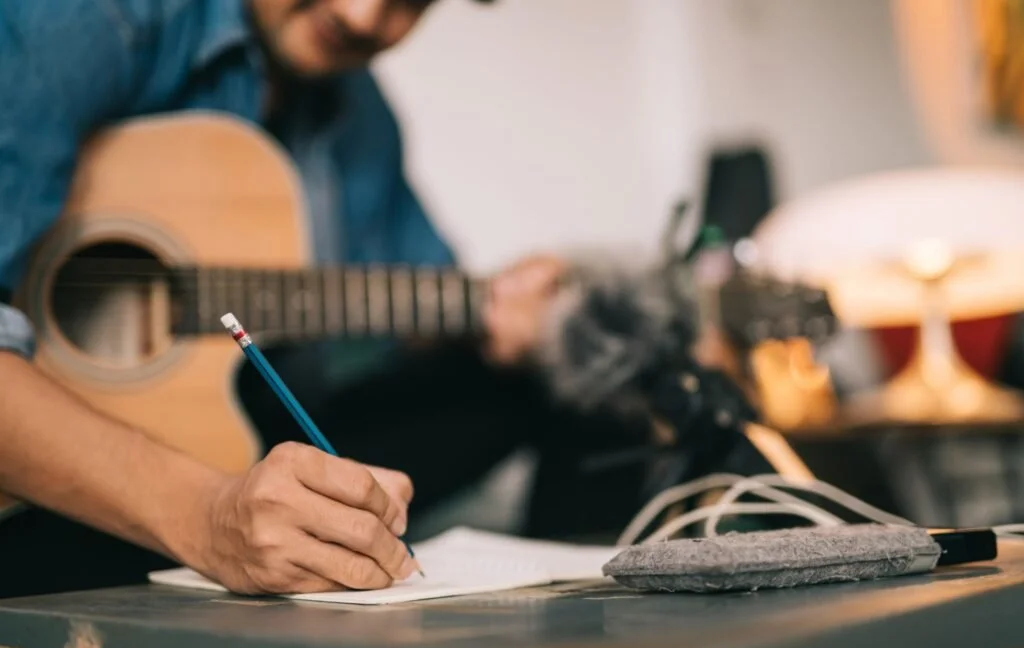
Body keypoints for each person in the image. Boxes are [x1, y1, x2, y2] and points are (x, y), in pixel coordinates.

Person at [0, 0, 655, 599]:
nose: (365, 15)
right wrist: (206, 518)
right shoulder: (83, 19)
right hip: (43, 504)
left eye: (413, 0)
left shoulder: (362, 116)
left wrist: (504, 309)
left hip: (239, 449)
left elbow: (415, 302)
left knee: (582, 373)